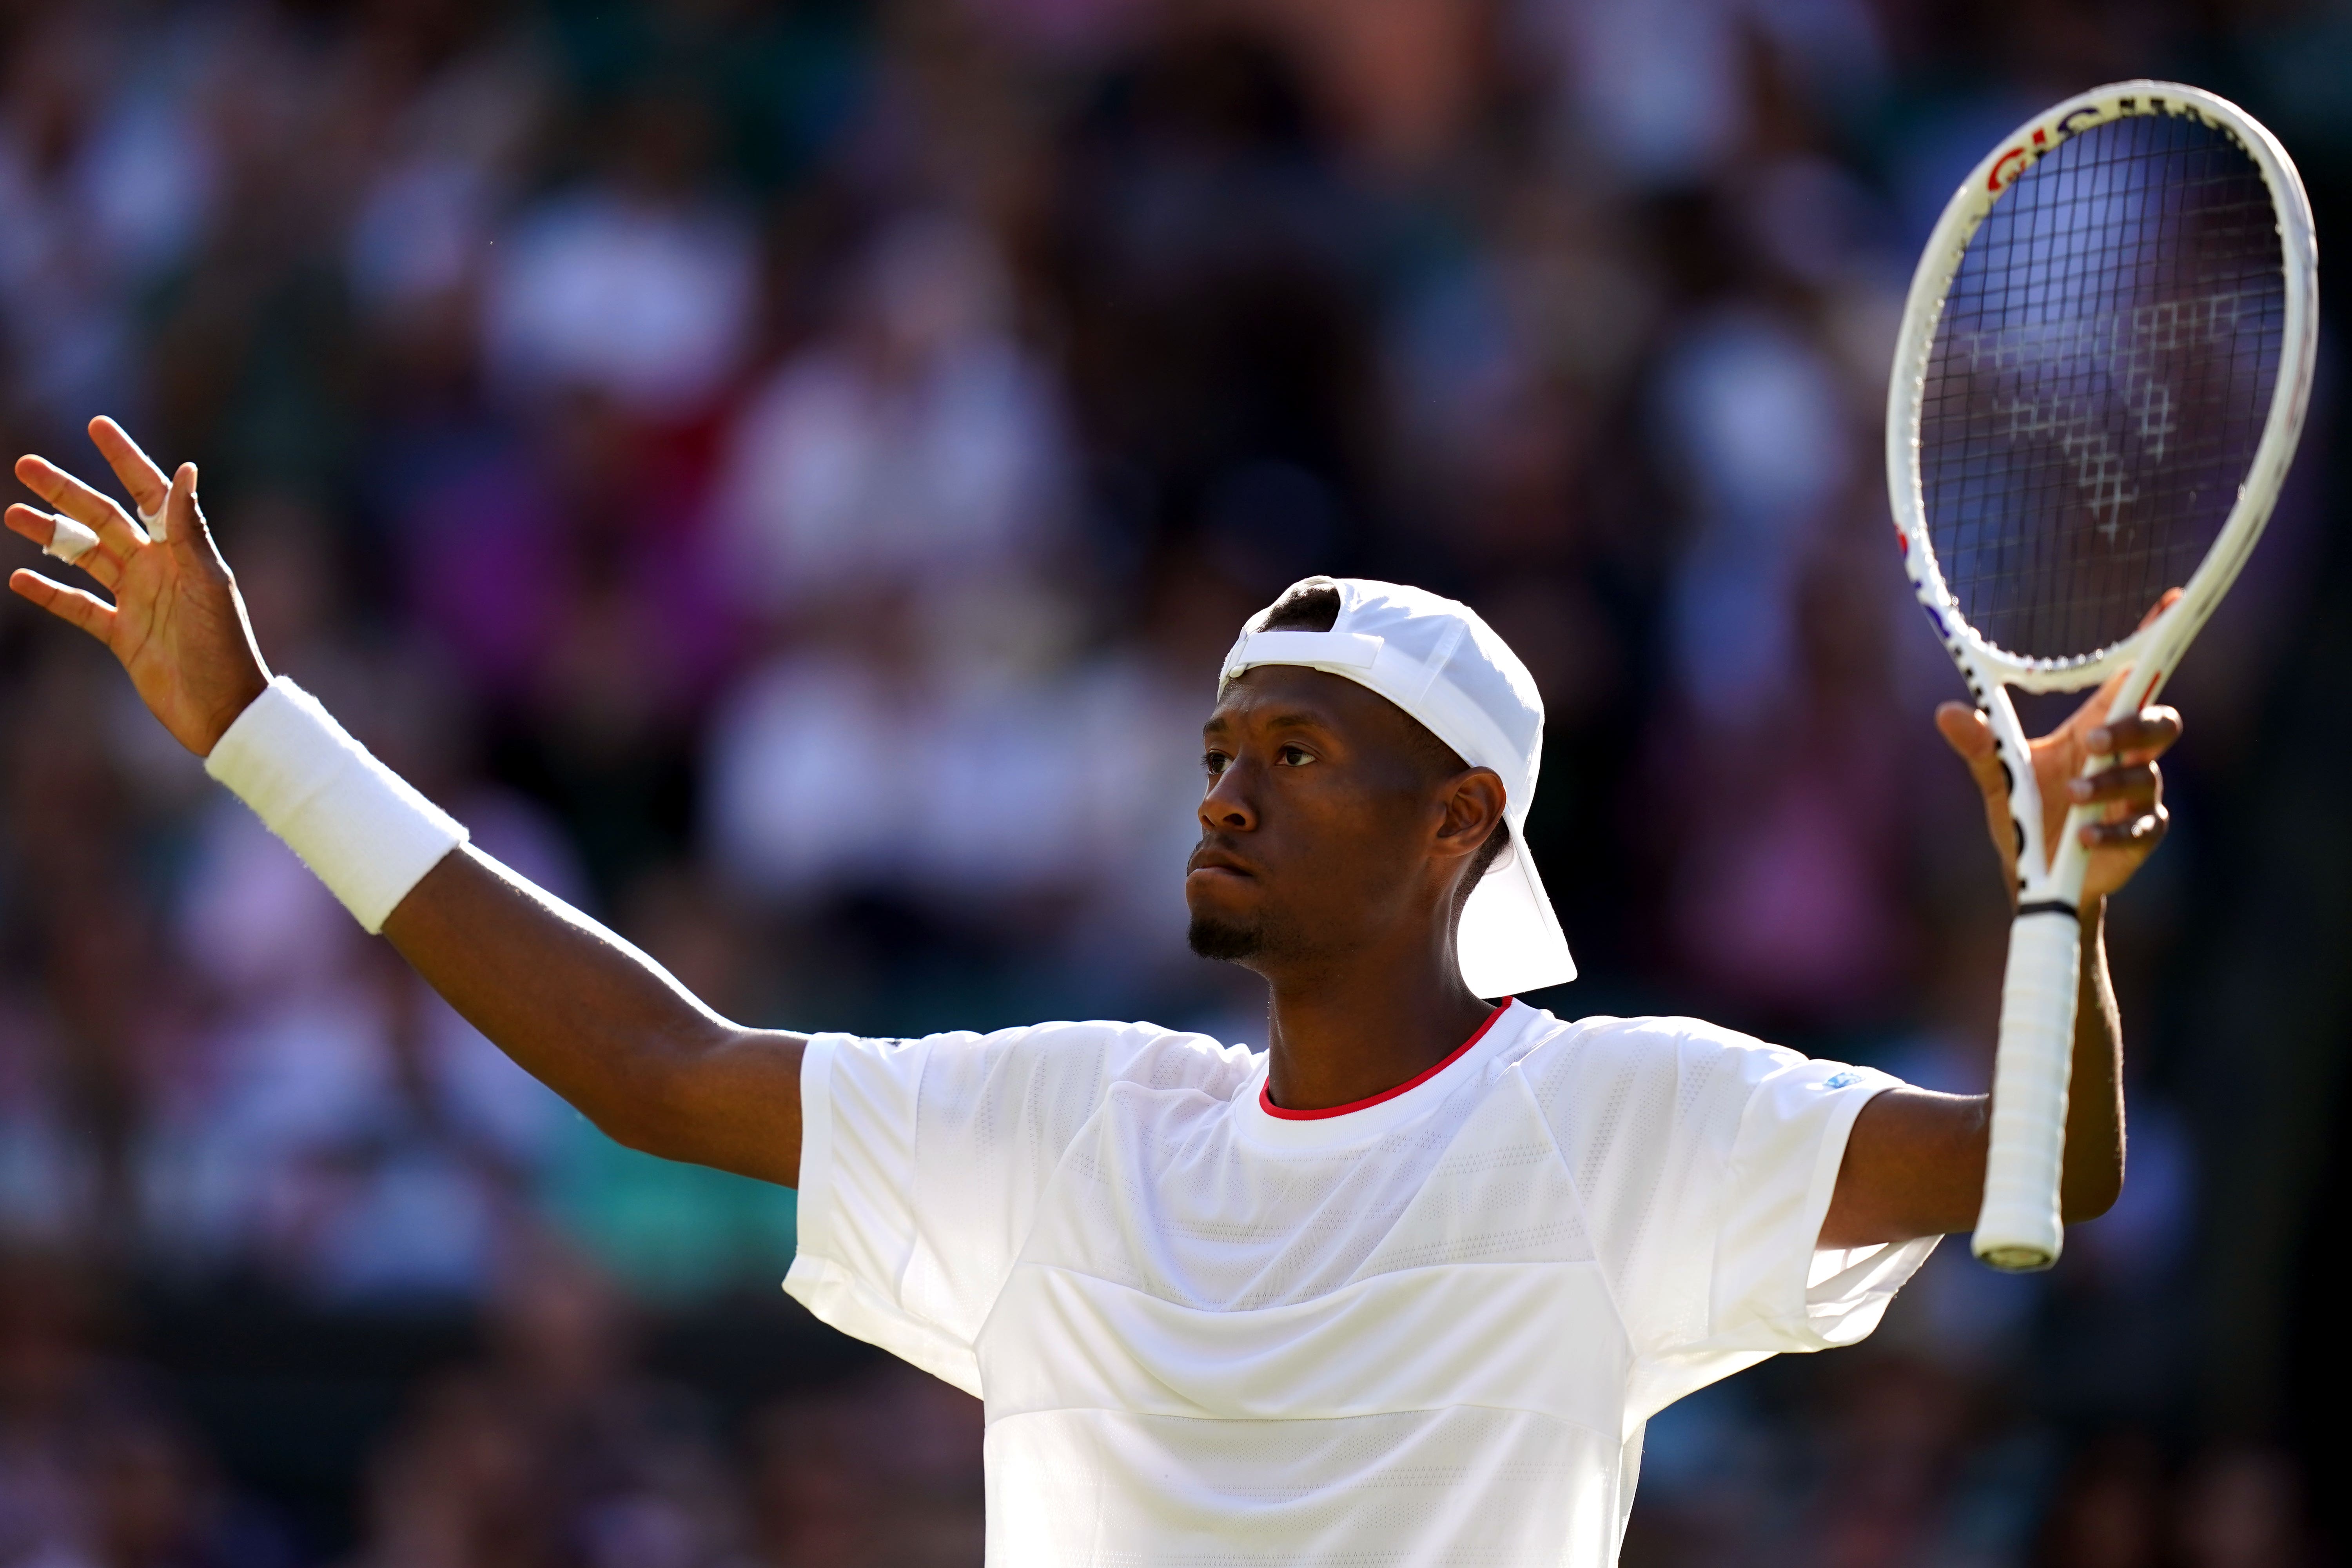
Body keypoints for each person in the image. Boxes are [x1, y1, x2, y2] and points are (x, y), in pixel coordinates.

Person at [6, 419, 2178, 1565]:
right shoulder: (1073, 1120)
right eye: (1221, 752)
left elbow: (2035, 1177)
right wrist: (254, 730)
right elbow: (652, 1071)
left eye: (1299, 758)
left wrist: (2056, 903)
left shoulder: (1629, 1125)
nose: (1225, 794)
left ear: (1460, 836)